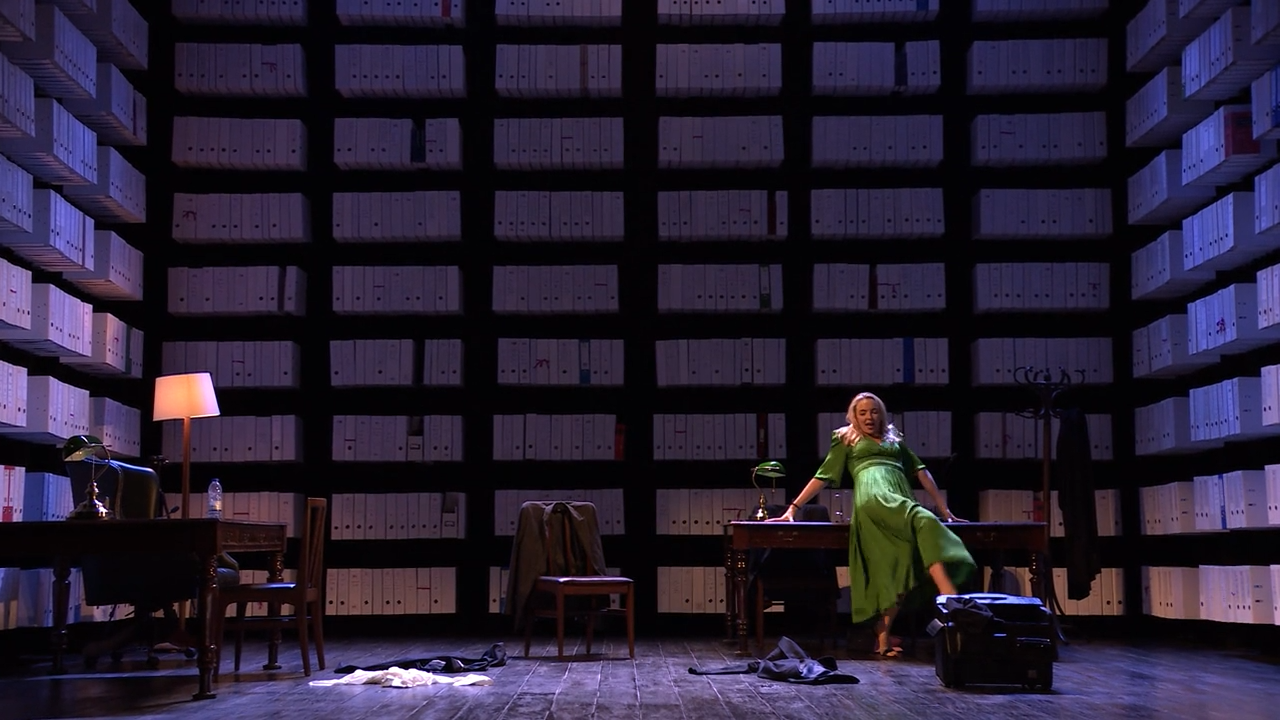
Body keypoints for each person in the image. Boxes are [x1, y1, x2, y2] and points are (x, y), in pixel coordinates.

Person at [768, 391, 976, 658]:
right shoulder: (846, 437)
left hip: (900, 496)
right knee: (924, 519)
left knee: (901, 564)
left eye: (874, 411)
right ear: (853, 416)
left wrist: (946, 510)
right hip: (874, 499)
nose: (869, 417)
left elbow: (922, 471)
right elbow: (823, 475)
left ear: (882, 414)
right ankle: (950, 598)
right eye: (863, 412)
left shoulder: (894, 440)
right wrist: (793, 508)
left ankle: (883, 636)